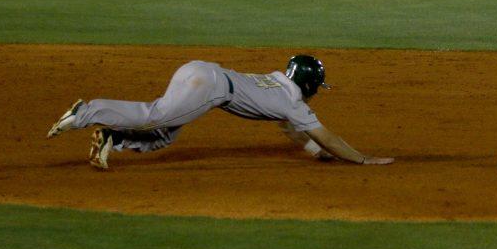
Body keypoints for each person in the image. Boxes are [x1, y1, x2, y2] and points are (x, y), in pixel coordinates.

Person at [47, 54, 393, 170]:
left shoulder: (278, 86)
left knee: (166, 132)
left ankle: (112, 137)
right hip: (209, 86)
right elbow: (324, 135)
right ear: (309, 84)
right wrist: (361, 159)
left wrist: (316, 153)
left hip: (203, 73)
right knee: (157, 116)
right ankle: (86, 112)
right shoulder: (293, 103)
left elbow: (293, 130)